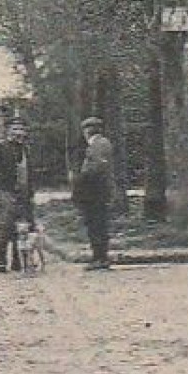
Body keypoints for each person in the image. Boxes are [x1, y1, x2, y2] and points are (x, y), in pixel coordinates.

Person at [0, 117, 36, 273]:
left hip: (24, 193)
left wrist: (31, 193)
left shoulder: (26, 149)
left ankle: (18, 260)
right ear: (8, 131)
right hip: (5, 191)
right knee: (3, 226)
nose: (18, 133)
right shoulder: (0, 148)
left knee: (22, 227)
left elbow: (30, 173)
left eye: (21, 129)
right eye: (15, 129)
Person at [73, 116, 117, 271]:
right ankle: (99, 256)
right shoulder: (100, 144)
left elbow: (96, 168)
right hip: (97, 192)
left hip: (96, 192)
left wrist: (81, 180)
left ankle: (100, 257)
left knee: (96, 225)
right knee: (96, 225)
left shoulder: (98, 145)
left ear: (87, 131)